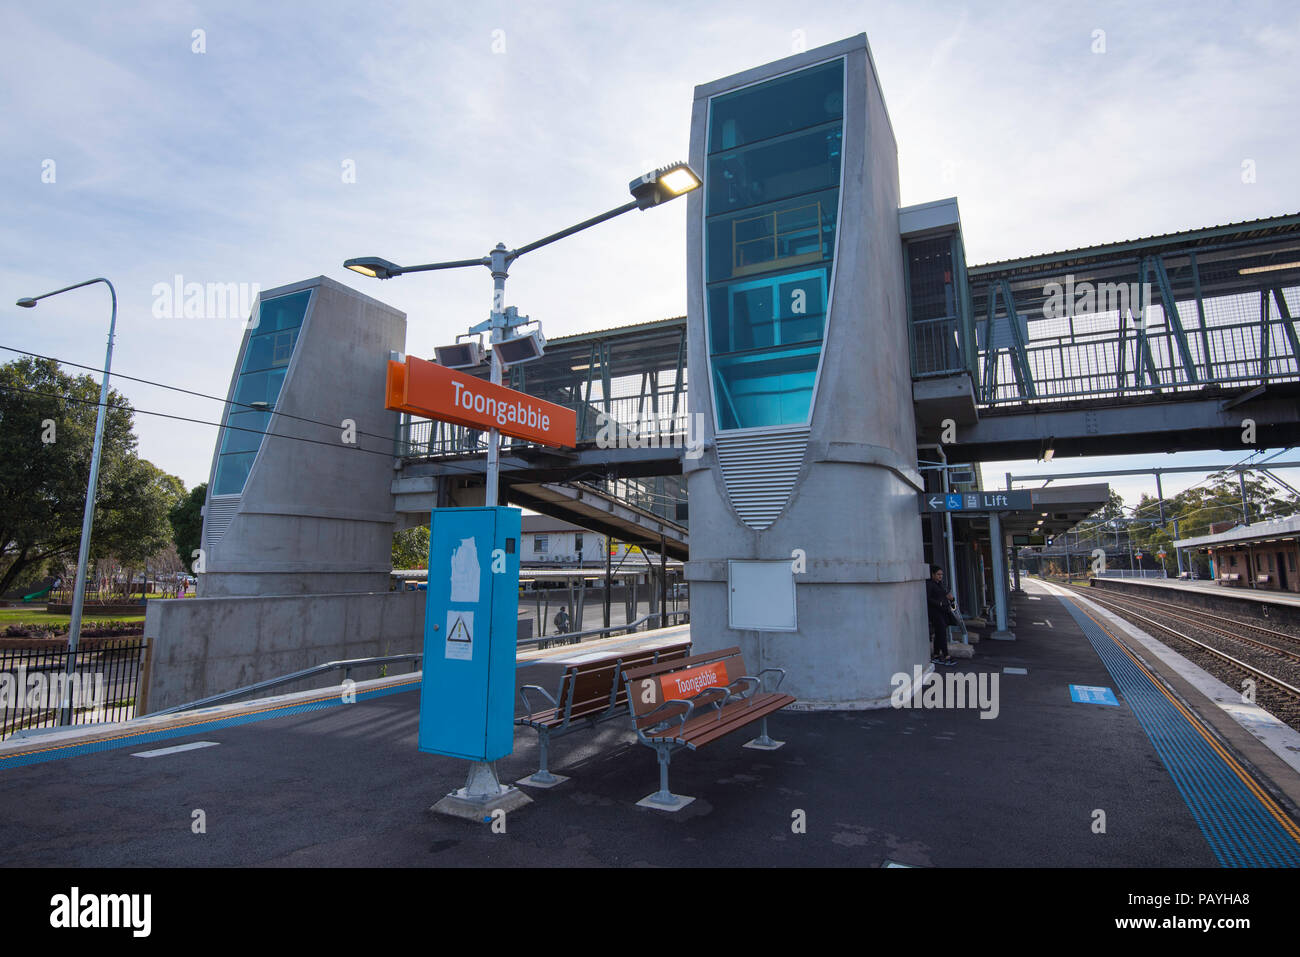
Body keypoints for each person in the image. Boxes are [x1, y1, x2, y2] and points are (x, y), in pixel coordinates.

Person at [926, 565, 957, 666]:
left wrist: (951, 599)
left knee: (940, 633)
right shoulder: (930, 584)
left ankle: (936, 655)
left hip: (943, 611)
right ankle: (946, 655)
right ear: (933, 574)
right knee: (942, 633)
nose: (940, 576)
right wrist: (938, 603)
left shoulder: (940, 584)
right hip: (935, 612)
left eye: (941, 574)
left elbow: (946, 595)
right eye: (938, 574)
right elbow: (928, 598)